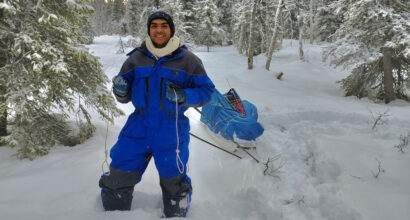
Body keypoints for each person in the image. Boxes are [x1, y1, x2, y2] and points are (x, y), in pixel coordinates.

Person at [99, 11, 215, 218]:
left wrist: (183, 96)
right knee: (119, 174)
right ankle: (113, 215)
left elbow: (207, 93)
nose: (159, 30)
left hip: (171, 130)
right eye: (154, 26)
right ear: (149, 30)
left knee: (174, 182)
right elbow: (123, 96)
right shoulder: (135, 59)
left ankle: (175, 215)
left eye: (164, 25)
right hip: (138, 127)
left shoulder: (189, 60)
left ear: (171, 30)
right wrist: (120, 89)